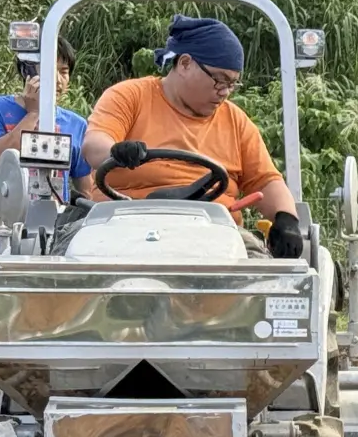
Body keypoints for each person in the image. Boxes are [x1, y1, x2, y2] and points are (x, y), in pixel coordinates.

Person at [0, 38, 95, 421]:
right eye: (49, 71)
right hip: (4, 233)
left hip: (57, 237)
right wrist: (32, 114)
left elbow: (87, 186)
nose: (58, 80)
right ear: (28, 73)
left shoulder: (76, 125)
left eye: (64, 72)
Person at [79, 15, 302, 258]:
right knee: (76, 261)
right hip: (123, 227)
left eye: (232, 84)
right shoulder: (129, 97)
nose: (225, 92)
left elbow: (266, 181)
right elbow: (94, 145)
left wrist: (286, 220)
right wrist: (116, 152)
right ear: (185, 63)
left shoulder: (235, 121)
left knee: (267, 277)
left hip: (216, 236)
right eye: (219, 80)